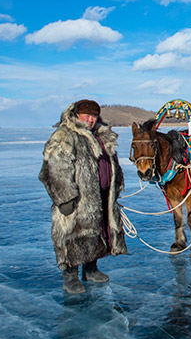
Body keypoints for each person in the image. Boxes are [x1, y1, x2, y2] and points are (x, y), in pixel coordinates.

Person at [38, 99, 128, 294]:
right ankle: (70, 277)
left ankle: (91, 269)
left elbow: (112, 163)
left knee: (97, 232)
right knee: (73, 235)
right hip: (78, 200)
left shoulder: (101, 137)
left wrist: (116, 185)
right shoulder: (65, 136)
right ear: (77, 115)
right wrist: (65, 198)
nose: (89, 120)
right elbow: (55, 169)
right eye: (86, 116)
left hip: (102, 196)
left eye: (93, 116)